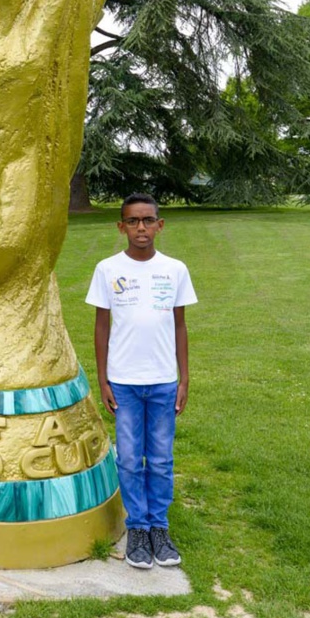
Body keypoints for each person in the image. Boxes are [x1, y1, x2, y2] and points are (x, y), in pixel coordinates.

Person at [85, 193, 198, 570]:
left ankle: (158, 528)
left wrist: (183, 378)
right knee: (131, 459)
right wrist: (103, 379)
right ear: (121, 227)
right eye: (133, 221)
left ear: (160, 225)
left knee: (162, 459)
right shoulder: (107, 269)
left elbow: (179, 326)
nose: (141, 228)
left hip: (163, 381)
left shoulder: (175, 270)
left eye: (148, 220)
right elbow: (102, 327)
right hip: (124, 382)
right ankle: (137, 528)